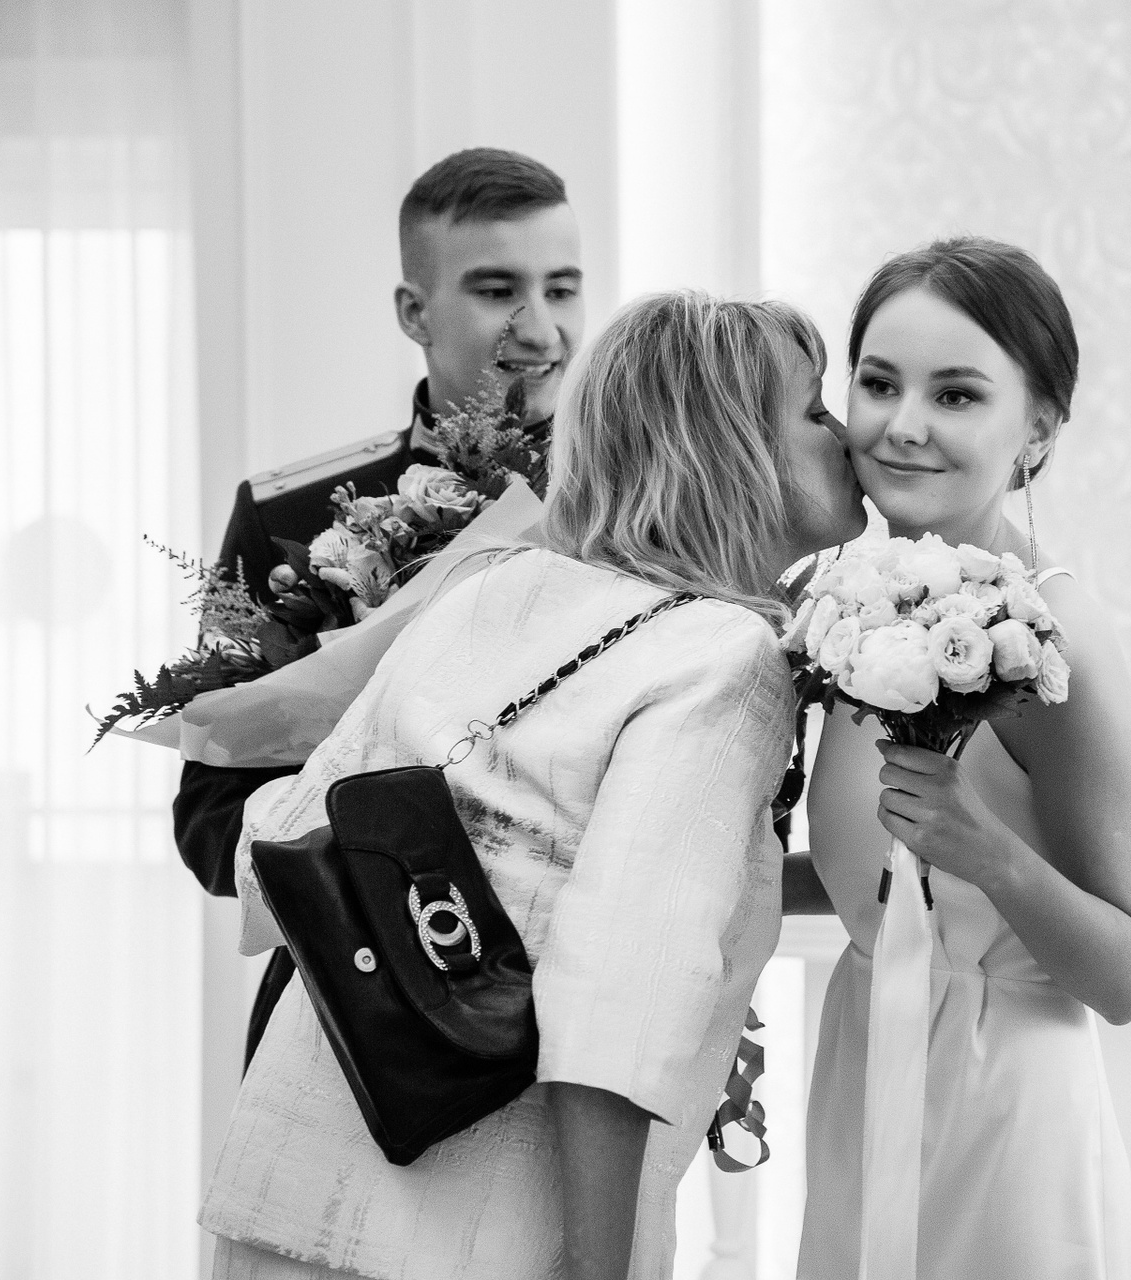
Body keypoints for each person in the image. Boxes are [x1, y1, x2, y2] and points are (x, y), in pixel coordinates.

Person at [198, 291, 868, 1280]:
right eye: (814, 410)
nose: (848, 433)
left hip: (277, 1198)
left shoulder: (493, 585)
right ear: (734, 449)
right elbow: (617, 1008)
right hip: (480, 1238)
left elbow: (276, 854)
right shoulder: (725, 655)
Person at [788, 236, 1131, 1279]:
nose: (902, 425)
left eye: (954, 395)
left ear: (1036, 428)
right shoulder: (846, 604)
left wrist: (983, 848)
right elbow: (878, 879)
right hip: (866, 1068)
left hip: (1008, 1117)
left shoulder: (1055, 636)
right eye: (878, 384)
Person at [174, 146, 583, 1064]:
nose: (542, 327)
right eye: (498, 290)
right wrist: (385, 854)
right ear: (413, 311)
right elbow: (208, 820)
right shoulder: (283, 516)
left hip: (587, 1009)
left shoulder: (639, 516)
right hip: (351, 1022)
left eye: (561, 288)